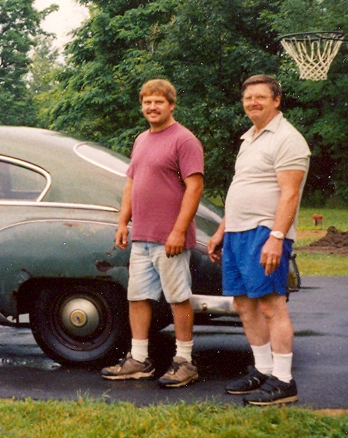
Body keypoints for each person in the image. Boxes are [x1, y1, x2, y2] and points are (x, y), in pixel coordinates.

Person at [207, 74, 310, 406]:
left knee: (270, 305)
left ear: (276, 100)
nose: (253, 102)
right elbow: (243, 188)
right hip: (237, 234)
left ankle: (284, 380)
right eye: (248, 98)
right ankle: (264, 371)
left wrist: (277, 237)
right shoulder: (249, 138)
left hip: (265, 232)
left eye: (260, 97)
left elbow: (290, 194)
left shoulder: (288, 139)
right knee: (243, 304)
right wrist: (222, 230)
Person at [101, 79, 204, 388]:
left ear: (171, 105)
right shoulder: (141, 140)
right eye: (147, 102)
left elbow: (195, 186)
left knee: (178, 298)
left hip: (170, 239)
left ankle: (185, 361)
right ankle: (139, 359)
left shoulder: (184, 140)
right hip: (142, 237)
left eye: (158, 101)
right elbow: (131, 184)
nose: (152, 107)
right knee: (137, 298)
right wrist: (123, 223)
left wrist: (178, 231)